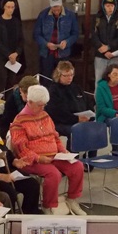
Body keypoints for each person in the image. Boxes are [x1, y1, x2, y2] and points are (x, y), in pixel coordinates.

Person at [9, 86, 86, 216]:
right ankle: (48, 206)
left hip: (54, 156)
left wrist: (63, 150)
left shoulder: (45, 115)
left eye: (44, 105)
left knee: (77, 166)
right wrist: (38, 158)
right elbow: (21, 149)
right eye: (40, 105)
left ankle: (72, 199)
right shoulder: (19, 121)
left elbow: (55, 136)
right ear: (30, 102)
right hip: (32, 160)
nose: (43, 108)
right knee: (53, 174)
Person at [46, 61, 96, 140]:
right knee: (76, 130)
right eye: (66, 75)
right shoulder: (53, 90)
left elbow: (88, 103)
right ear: (59, 75)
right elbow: (56, 113)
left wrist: (89, 116)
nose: (69, 78)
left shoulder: (76, 87)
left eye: (71, 75)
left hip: (82, 119)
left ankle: (92, 149)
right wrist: (76, 119)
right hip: (63, 122)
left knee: (95, 127)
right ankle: (72, 148)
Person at [33, 0, 79, 77]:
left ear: (61, 5)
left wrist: (67, 42)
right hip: (46, 53)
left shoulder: (70, 15)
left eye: (58, 6)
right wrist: (46, 44)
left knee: (62, 78)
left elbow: (75, 34)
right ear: (50, 6)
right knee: (46, 78)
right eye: (54, 7)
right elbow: (36, 34)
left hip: (63, 53)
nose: (56, 9)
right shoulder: (43, 15)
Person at [0, 0, 25, 91]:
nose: (10, 9)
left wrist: (16, 53)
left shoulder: (16, 21)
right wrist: (9, 54)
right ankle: (0, 99)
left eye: (12, 7)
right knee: (2, 80)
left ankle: (9, 99)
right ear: (4, 7)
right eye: (8, 7)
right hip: (2, 56)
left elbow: (21, 39)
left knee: (11, 82)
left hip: (15, 56)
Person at [91, 0, 118, 83]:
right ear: (103, 6)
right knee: (99, 81)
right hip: (100, 54)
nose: (110, 8)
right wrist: (102, 48)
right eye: (107, 6)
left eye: (112, 6)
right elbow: (94, 35)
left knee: (114, 81)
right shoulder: (98, 17)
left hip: (114, 54)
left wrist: (109, 47)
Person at [0, 75, 39, 140]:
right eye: (26, 95)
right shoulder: (12, 100)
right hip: (13, 129)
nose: (28, 98)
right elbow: (7, 121)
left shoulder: (38, 99)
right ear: (20, 90)